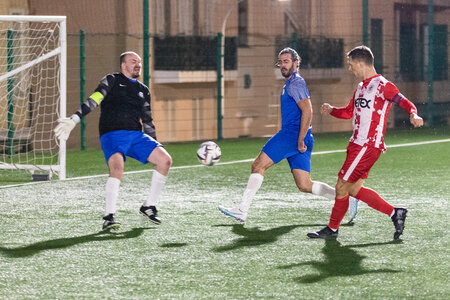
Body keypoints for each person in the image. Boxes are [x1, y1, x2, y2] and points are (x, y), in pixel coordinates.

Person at [218, 47, 358, 223]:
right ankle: (347, 198)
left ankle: (241, 210)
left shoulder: (296, 83)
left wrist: (299, 139)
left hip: (293, 135)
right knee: (305, 185)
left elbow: (308, 110)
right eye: (280, 62)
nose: (282, 65)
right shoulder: (290, 83)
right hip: (300, 136)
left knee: (258, 165)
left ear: (296, 63)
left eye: (286, 61)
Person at [307, 45, 423, 240]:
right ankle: (396, 213)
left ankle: (332, 229)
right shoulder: (361, 87)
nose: (350, 69)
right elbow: (349, 112)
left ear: (361, 63)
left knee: (341, 186)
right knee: (352, 189)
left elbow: (404, 101)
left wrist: (413, 113)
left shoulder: (383, 85)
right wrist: (332, 109)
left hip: (368, 146)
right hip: (356, 145)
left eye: (351, 65)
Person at [54, 51, 172, 230]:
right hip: (112, 134)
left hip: (136, 136)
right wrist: (75, 118)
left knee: (165, 160)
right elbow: (94, 99)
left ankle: (149, 206)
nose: (138, 65)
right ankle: (109, 217)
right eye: (133, 62)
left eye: (139, 62)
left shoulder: (143, 90)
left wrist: (154, 144)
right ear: (123, 65)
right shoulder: (111, 80)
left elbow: (147, 119)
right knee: (117, 168)